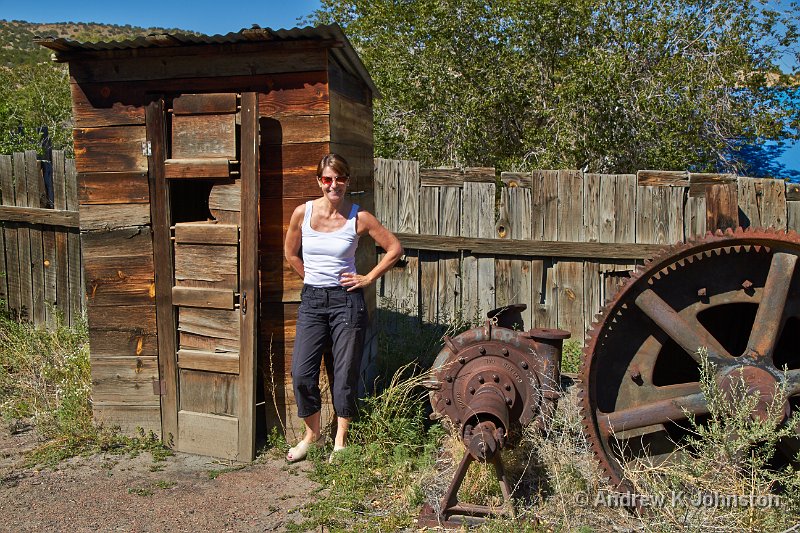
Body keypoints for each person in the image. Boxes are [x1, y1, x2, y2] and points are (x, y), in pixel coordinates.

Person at [283, 153, 403, 462]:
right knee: (301, 373)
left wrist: (368, 278)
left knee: (345, 371)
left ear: (347, 181)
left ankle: (340, 441)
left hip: (347, 303)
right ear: (319, 181)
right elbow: (291, 253)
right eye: (327, 179)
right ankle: (312, 434)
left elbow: (394, 248)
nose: (333, 185)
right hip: (312, 301)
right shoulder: (303, 213)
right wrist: (309, 277)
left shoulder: (358, 217)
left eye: (339, 179)